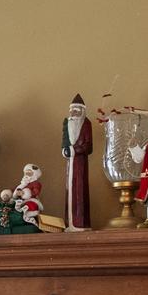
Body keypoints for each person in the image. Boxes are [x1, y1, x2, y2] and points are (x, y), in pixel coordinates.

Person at [59, 95, 93, 231]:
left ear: (82, 111)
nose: (73, 113)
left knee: (79, 189)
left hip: (80, 162)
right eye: (72, 110)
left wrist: (74, 150)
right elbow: (64, 139)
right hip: (69, 162)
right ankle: (70, 223)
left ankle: (80, 223)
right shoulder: (67, 122)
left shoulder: (86, 123)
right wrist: (65, 150)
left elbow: (88, 146)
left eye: (77, 110)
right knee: (69, 191)